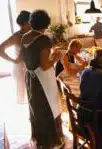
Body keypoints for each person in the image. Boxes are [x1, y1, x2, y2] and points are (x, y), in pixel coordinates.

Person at [15, 10, 64, 148]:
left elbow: (25, 58)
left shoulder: (24, 37)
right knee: (48, 107)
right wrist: (55, 57)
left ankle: (39, 137)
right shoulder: (44, 39)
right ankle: (50, 141)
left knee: (35, 107)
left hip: (30, 76)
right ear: (46, 24)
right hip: (42, 78)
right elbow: (44, 65)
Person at [0, 10, 31, 104]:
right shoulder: (16, 36)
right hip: (22, 69)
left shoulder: (31, 33)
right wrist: (14, 61)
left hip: (32, 66)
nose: (32, 24)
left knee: (33, 96)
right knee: (29, 95)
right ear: (24, 23)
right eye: (30, 22)